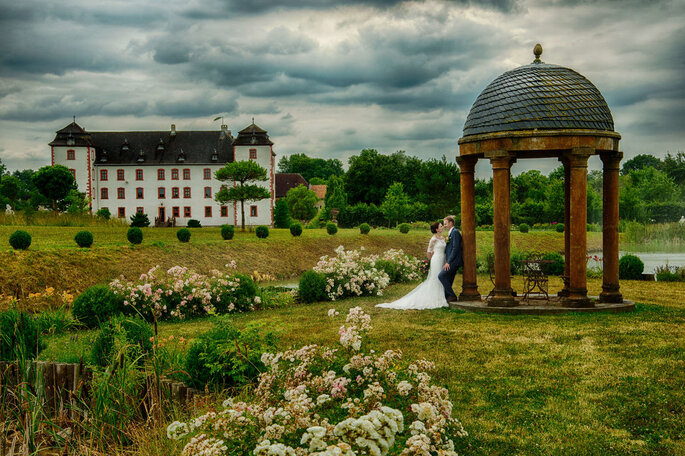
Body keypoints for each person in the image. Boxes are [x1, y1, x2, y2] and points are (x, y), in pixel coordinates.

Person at [375, 221, 449, 310]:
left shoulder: (442, 238)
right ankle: (435, 298)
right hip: (436, 260)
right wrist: (433, 257)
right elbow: (428, 253)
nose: (442, 227)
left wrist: (445, 261)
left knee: (441, 278)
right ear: (437, 229)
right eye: (441, 226)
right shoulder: (433, 239)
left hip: (442, 260)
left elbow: (444, 251)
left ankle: (440, 296)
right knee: (435, 278)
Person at [438, 215, 463, 302]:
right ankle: (447, 296)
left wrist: (449, 261)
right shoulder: (451, 233)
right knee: (449, 278)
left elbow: (455, 248)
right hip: (451, 260)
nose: (445, 226)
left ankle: (452, 295)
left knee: (441, 276)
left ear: (451, 223)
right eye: (444, 224)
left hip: (454, 261)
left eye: (446, 224)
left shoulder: (455, 232)